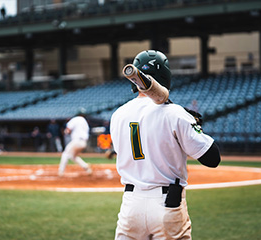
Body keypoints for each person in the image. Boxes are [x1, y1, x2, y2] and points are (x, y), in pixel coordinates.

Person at [110, 50, 221, 240]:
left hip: (130, 206)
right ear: (165, 77)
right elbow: (212, 158)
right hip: (166, 204)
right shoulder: (175, 113)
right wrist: (192, 124)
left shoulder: (118, 115)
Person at [58, 108, 92, 177]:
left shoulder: (75, 119)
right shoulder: (85, 122)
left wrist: (65, 132)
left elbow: (68, 130)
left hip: (77, 141)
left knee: (65, 154)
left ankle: (61, 171)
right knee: (73, 156)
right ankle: (86, 166)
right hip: (84, 142)